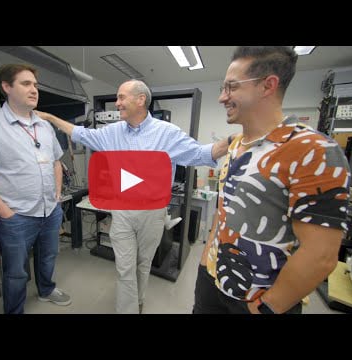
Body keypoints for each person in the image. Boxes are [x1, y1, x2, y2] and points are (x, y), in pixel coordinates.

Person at [35, 79, 231, 314]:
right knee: (125, 267)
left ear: (141, 100)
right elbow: (82, 134)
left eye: (121, 97)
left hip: (153, 213)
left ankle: (138, 300)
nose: (116, 103)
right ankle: (128, 309)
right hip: (123, 212)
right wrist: (50, 118)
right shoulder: (113, 132)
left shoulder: (166, 133)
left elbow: (200, 153)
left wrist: (231, 141)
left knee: (142, 264)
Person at [193, 46, 350, 314]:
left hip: (260, 299)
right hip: (212, 280)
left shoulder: (314, 149)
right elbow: (224, 212)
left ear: (268, 85)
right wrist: (205, 261)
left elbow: (320, 255)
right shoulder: (236, 146)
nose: (222, 97)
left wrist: (268, 306)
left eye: (231, 87)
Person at [0, 64, 71, 314]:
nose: (34, 90)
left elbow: (55, 161)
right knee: (16, 271)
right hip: (16, 215)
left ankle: (46, 289)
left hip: (49, 210)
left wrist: (57, 194)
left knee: (48, 257)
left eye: (35, 85)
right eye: (26, 84)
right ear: (6, 87)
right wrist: (3, 210)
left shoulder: (44, 125)